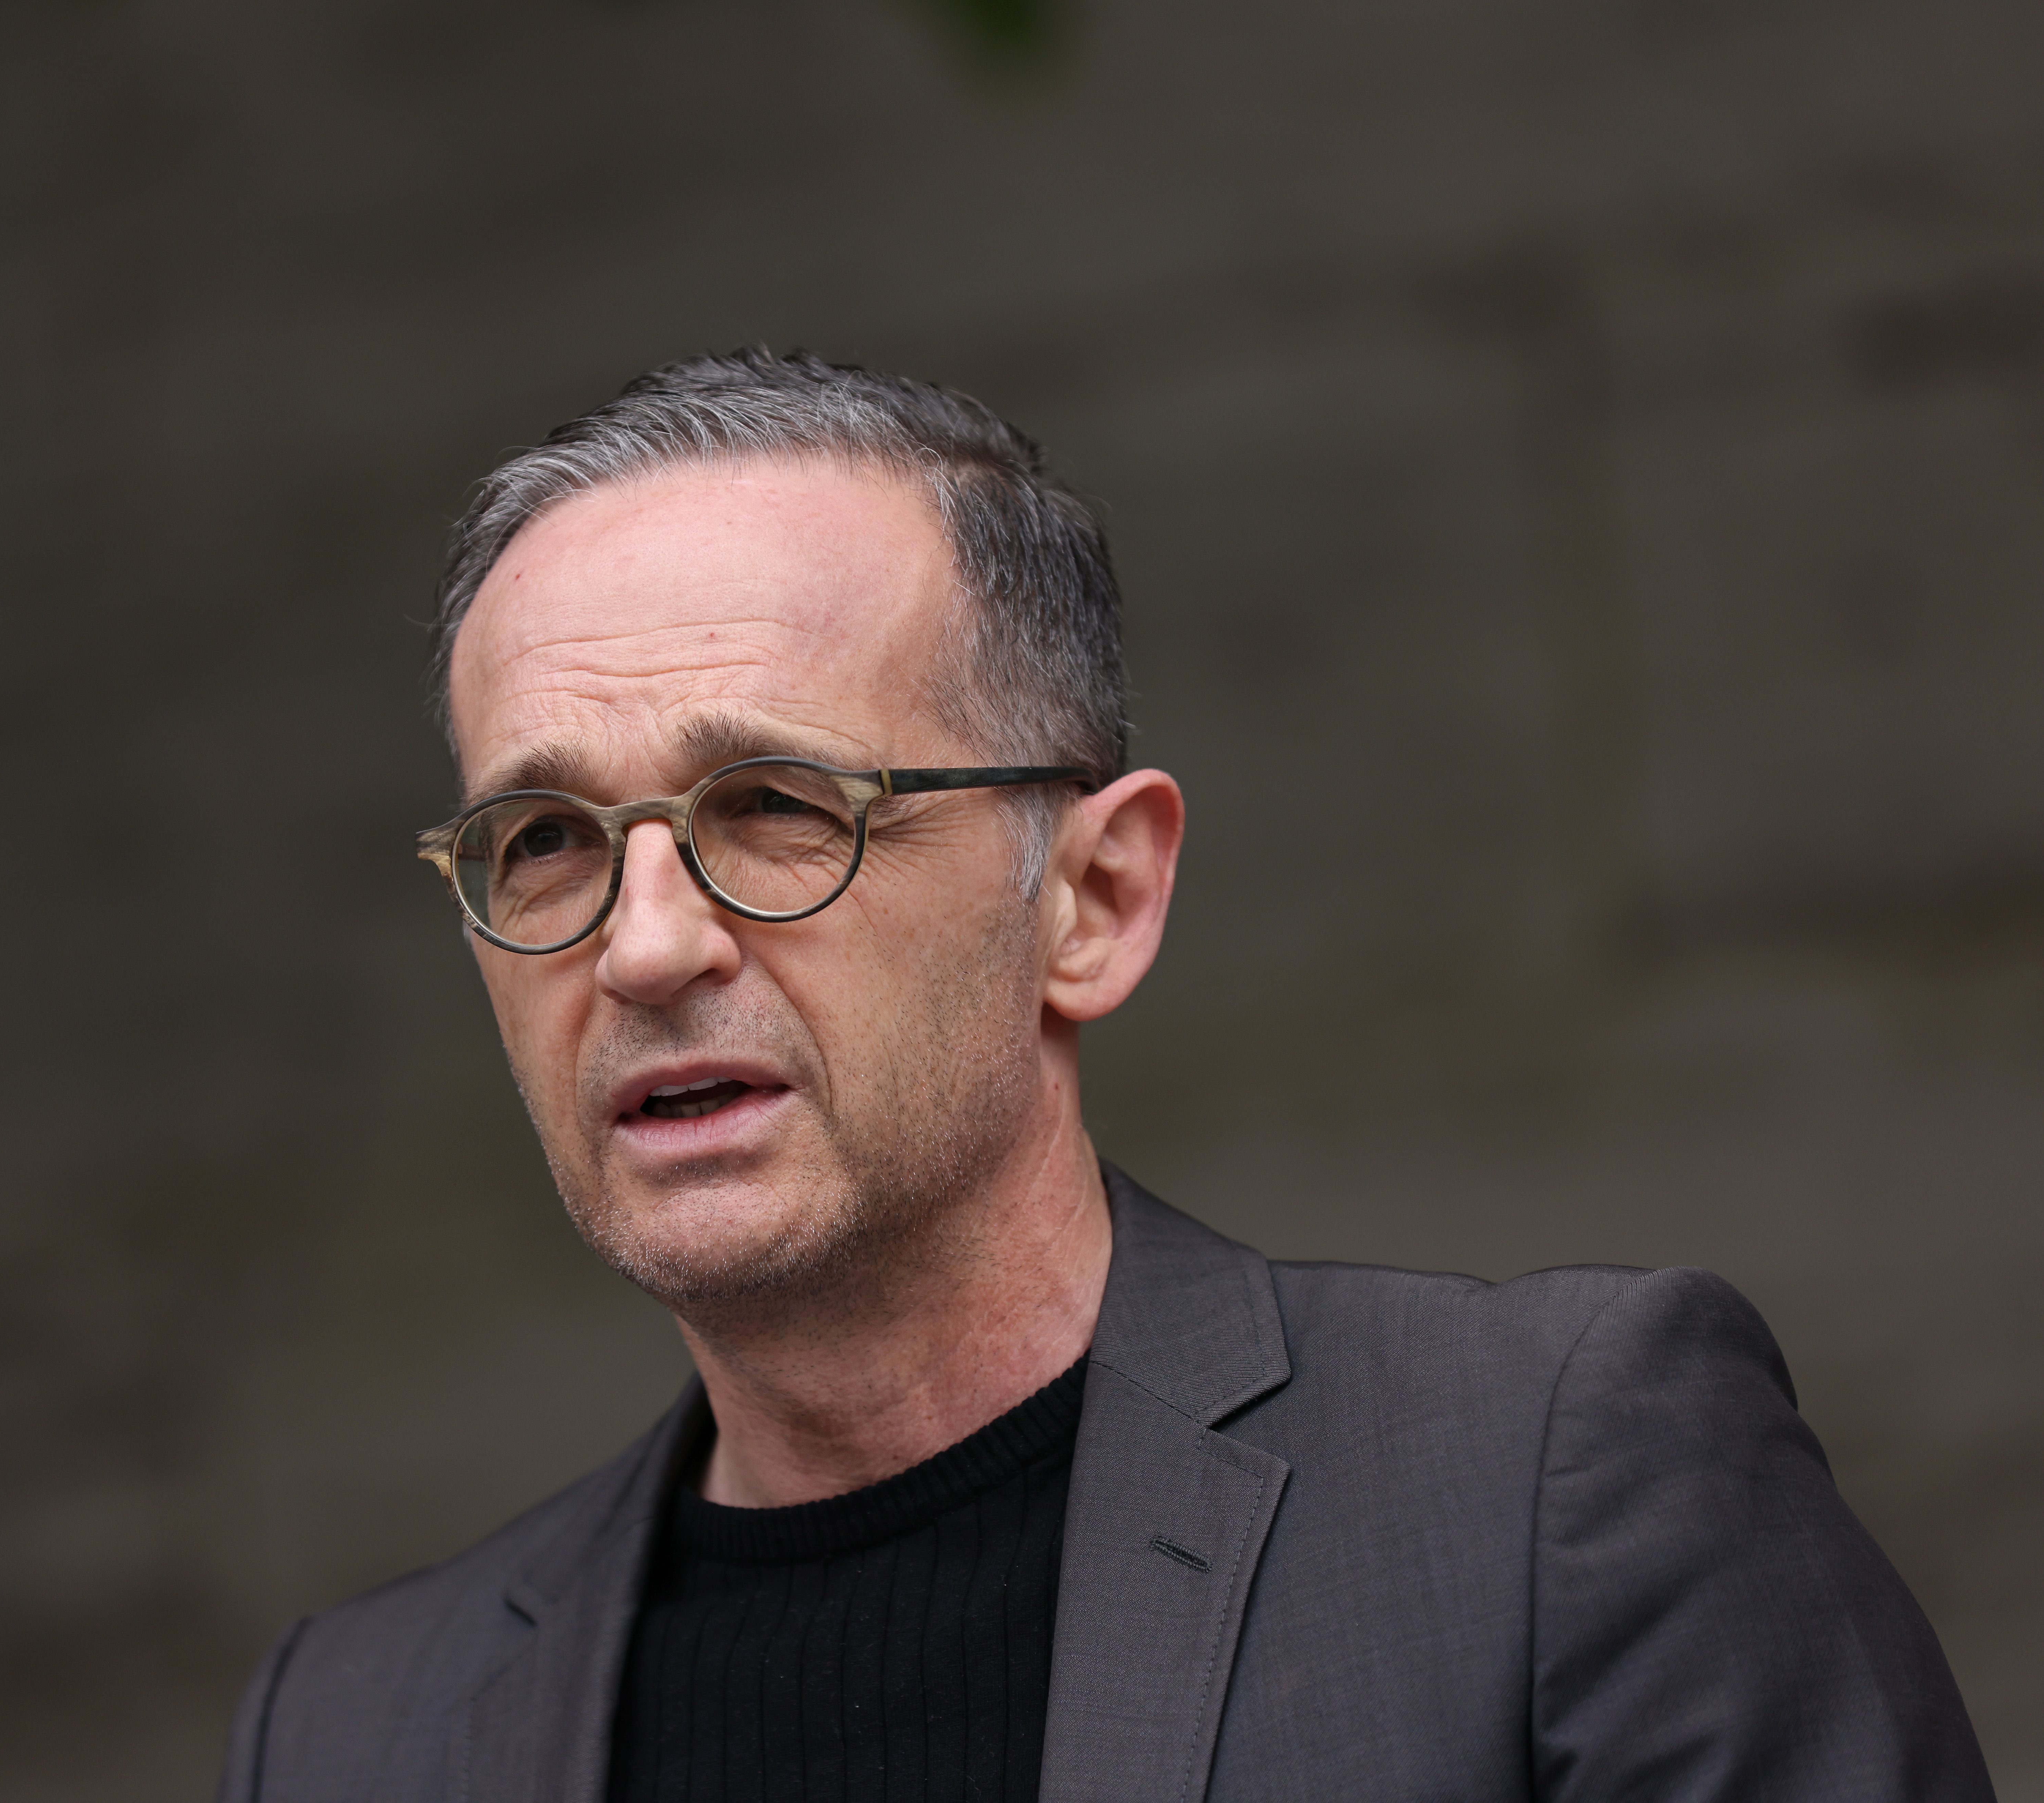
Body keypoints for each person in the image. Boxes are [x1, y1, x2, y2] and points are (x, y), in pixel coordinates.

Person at [218, 349, 1993, 1801]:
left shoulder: (1546, 1488)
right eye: (540, 839)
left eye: (771, 810)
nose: (645, 945)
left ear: (1094, 897)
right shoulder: (358, 1734)